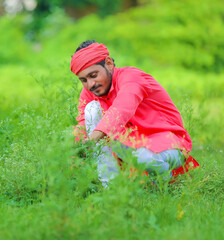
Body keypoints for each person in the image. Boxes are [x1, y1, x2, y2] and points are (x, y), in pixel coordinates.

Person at [71, 40, 199, 186]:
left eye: (93, 75)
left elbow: (122, 108)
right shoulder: (90, 91)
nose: (90, 84)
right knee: (91, 110)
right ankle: (110, 187)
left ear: (108, 63)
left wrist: (93, 137)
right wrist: (72, 150)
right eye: (83, 80)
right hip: (130, 146)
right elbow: (83, 122)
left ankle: (164, 181)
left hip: (166, 144)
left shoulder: (132, 77)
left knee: (144, 157)